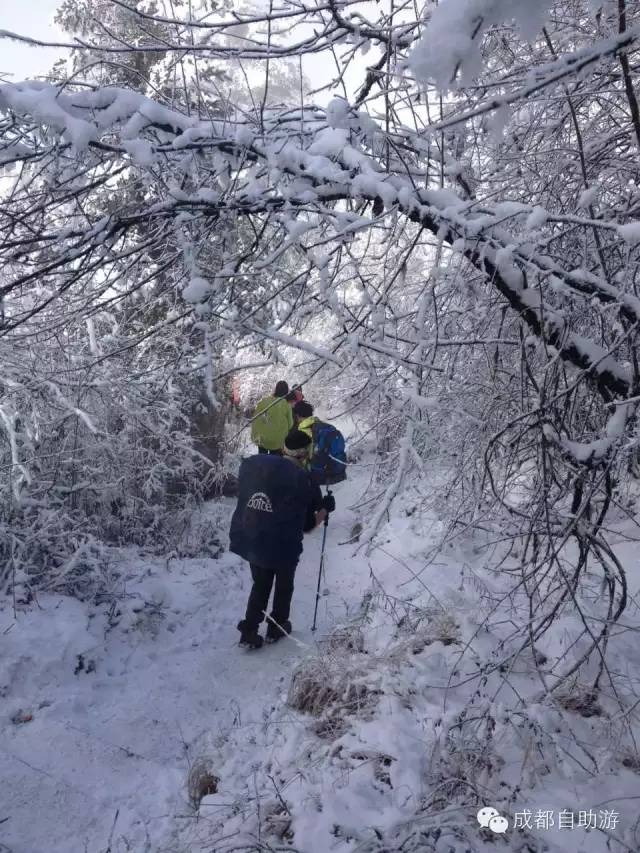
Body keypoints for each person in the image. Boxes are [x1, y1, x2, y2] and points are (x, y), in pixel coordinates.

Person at [229, 430, 336, 648]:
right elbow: (307, 526)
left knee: (261, 583)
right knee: (283, 585)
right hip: (283, 546)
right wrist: (325, 509)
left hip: (253, 538)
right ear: (305, 454)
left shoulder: (260, 468)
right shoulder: (305, 481)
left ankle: (249, 630)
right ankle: (276, 626)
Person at [250, 380, 293, 455]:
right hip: (277, 440)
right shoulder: (286, 405)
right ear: (287, 391)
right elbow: (290, 424)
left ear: (276, 389)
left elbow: (256, 418)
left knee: (262, 458)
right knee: (274, 461)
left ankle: (261, 465)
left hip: (262, 439)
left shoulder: (264, 401)